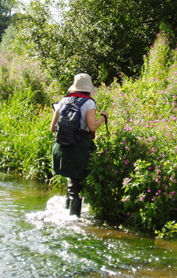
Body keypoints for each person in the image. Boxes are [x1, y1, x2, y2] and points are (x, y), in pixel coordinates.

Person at [50, 73, 109, 218]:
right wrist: (104, 117)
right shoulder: (89, 103)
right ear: (88, 89)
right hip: (79, 147)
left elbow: (52, 128)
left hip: (61, 146)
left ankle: (65, 212)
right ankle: (74, 220)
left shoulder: (64, 101)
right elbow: (92, 126)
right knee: (75, 188)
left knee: (71, 182)